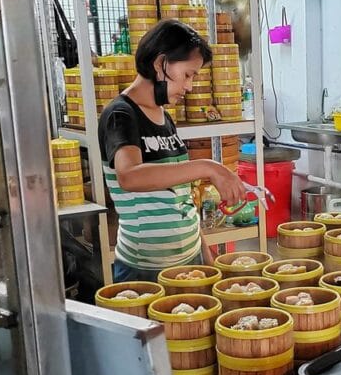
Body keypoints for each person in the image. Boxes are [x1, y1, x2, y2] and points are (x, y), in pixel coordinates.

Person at [98, 20, 245, 283]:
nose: (189, 87)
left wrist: (205, 254)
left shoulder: (164, 117)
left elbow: (181, 198)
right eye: (187, 75)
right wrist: (209, 167)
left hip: (190, 259)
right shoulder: (121, 115)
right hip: (145, 270)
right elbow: (129, 176)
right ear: (160, 64)